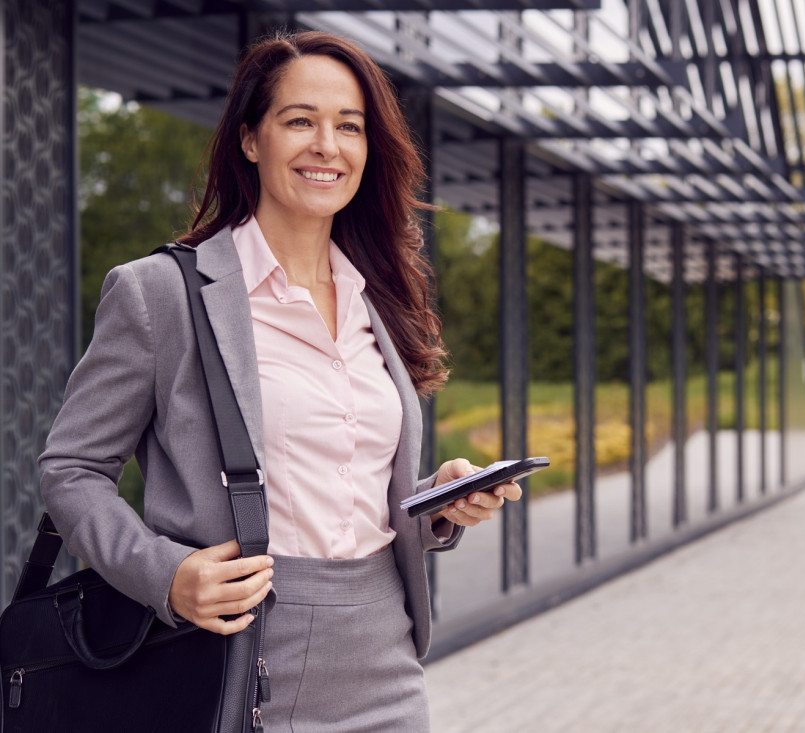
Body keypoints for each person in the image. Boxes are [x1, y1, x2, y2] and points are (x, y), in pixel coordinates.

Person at [38, 29, 520, 732]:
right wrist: (164, 574)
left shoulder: (376, 297)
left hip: (387, 662)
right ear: (251, 140)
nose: (327, 145)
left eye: (348, 126)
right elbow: (70, 468)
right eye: (300, 121)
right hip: (239, 666)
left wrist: (436, 505)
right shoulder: (162, 295)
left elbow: (340, 488)